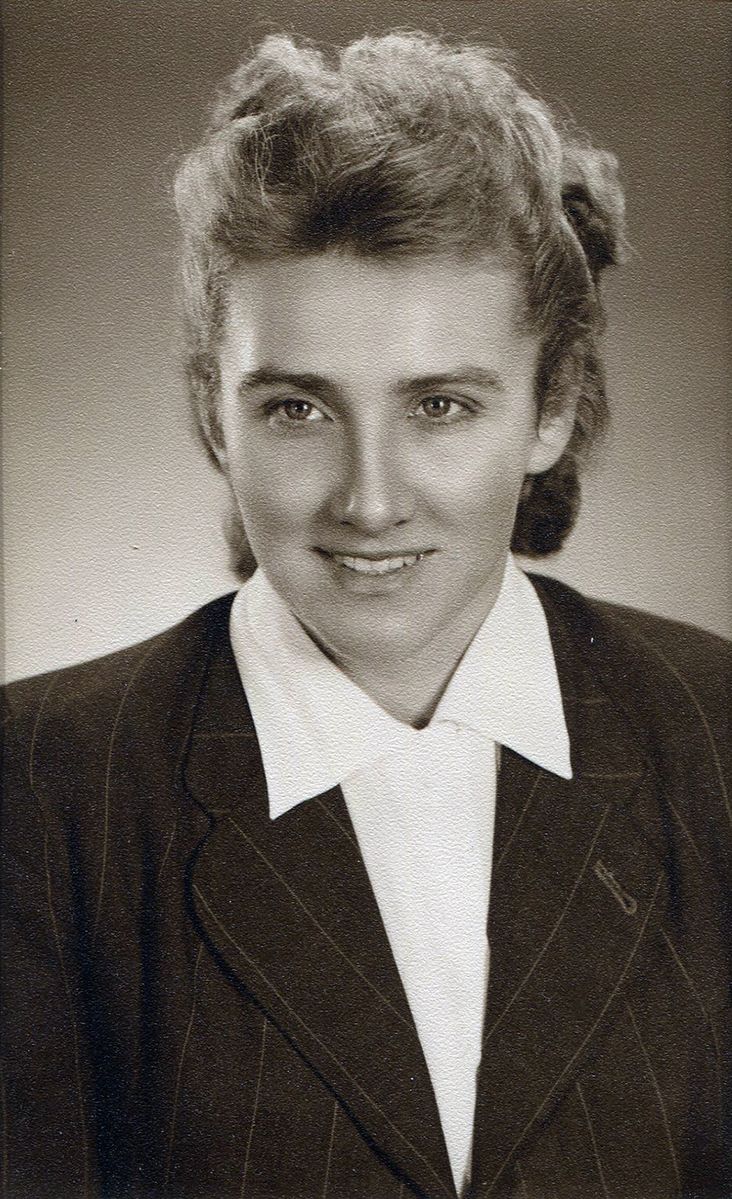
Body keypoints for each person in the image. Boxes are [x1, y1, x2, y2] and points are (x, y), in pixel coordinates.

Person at [2, 30, 730, 1199]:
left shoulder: (715, 737)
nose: (370, 499)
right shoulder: (36, 791)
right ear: (214, 414)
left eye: (440, 405)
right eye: (298, 408)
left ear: (552, 408)